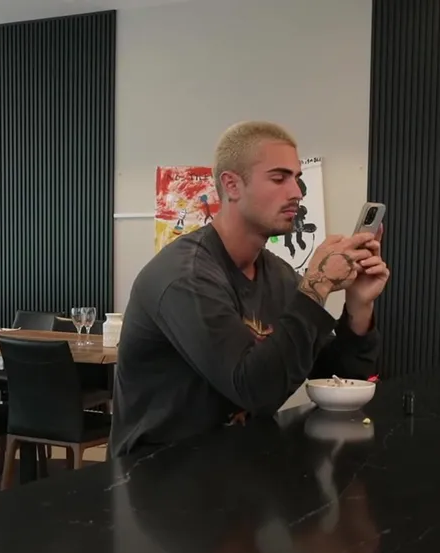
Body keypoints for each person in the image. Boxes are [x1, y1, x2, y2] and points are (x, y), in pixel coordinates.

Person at [110, 120, 390, 458]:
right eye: (279, 178)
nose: (297, 192)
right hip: (160, 473)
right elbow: (255, 390)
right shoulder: (185, 277)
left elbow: (337, 376)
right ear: (232, 185)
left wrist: (358, 307)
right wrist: (318, 284)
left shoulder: (278, 275)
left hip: (239, 465)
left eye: (297, 178)